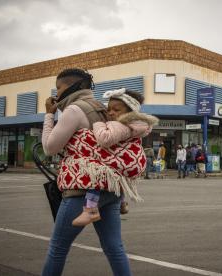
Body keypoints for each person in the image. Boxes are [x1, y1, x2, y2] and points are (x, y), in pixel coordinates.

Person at [41, 68, 132, 276]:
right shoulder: (101, 108)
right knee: (114, 248)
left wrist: (48, 115)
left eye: (59, 88)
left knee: (58, 248)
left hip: (82, 191)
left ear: (73, 86)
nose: (56, 93)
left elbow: (49, 148)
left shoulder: (74, 110)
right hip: (110, 188)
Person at [73, 88, 158, 225]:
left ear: (130, 112)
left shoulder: (122, 124)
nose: (111, 113)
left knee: (97, 175)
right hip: (129, 162)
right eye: (109, 109)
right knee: (118, 176)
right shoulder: (135, 125)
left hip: (123, 161)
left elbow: (105, 139)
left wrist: (98, 124)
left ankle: (90, 209)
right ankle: (122, 201)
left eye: (116, 110)